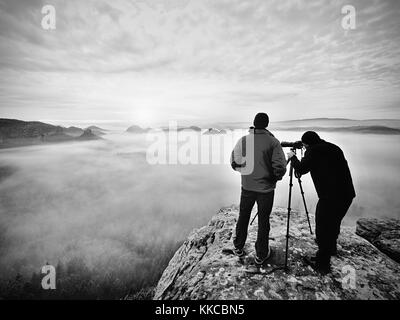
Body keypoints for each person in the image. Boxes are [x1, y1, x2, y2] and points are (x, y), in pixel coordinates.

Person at [287, 131, 356, 274]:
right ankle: (331, 249)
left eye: (305, 146)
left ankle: (322, 264)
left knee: (323, 228)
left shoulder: (313, 152)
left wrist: (292, 157)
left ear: (307, 144)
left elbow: (301, 169)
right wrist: (307, 147)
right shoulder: (333, 147)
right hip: (347, 194)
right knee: (333, 223)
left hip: (330, 197)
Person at [230, 113, 287, 265]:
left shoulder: (243, 140)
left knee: (243, 216)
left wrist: (246, 173)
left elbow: (234, 162)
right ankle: (261, 254)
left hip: (247, 187)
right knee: (263, 220)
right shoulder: (273, 142)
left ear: (254, 123)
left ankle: (238, 247)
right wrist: (274, 177)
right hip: (266, 190)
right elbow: (280, 167)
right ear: (267, 124)